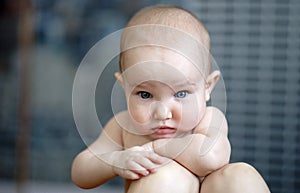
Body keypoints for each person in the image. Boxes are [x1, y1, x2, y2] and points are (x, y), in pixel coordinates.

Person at [72, 5, 270, 193]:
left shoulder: (209, 119)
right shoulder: (123, 126)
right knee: (165, 176)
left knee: (239, 176)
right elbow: (80, 171)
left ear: (207, 87)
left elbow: (211, 157)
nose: (162, 113)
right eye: (145, 95)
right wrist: (115, 161)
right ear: (124, 86)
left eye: (181, 94)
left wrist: (155, 147)